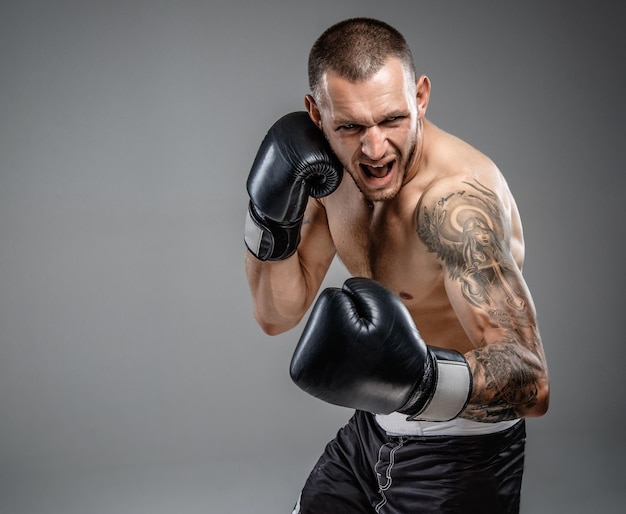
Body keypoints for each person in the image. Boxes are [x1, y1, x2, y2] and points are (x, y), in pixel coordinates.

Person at [244, 17, 549, 514]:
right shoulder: (331, 176)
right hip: (374, 428)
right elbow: (276, 314)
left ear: (421, 97)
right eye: (350, 126)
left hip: (464, 451)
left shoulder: (454, 204)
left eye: (392, 119)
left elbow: (532, 383)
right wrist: (267, 222)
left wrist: (423, 378)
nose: (374, 149)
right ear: (315, 115)